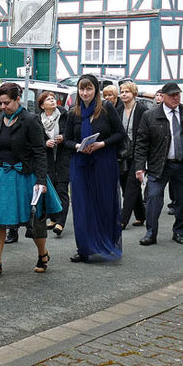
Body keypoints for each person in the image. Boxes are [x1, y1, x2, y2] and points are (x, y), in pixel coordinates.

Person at [0, 83, 58, 278]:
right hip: (2, 176)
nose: (2, 107)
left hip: (27, 176)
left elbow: (39, 152)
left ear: (17, 99)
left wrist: (41, 181)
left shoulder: (30, 120)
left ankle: (43, 254)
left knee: (35, 222)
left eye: (6, 103)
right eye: (0, 103)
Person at [134, 81, 183, 247]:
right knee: (153, 198)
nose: (176, 98)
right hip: (159, 165)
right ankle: (151, 233)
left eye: (178, 94)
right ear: (163, 96)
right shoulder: (150, 116)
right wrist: (139, 166)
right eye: (172, 95)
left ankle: (179, 232)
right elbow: (141, 143)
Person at [63, 75, 123, 262]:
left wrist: (102, 144)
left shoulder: (106, 108)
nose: (85, 93)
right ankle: (84, 249)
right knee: (82, 207)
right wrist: (77, 146)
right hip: (80, 163)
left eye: (88, 89)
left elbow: (120, 134)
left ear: (96, 90)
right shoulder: (73, 112)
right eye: (82, 89)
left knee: (103, 203)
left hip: (103, 161)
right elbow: (66, 139)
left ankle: (105, 242)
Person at [37, 90, 70, 237]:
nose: (52, 100)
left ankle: (60, 223)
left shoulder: (64, 115)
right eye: (48, 99)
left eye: (53, 98)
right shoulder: (38, 120)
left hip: (63, 157)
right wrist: (45, 143)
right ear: (42, 105)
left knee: (62, 189)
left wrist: (63, 137)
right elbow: (36, 141)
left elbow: (72, 132)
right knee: (53, 189)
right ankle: (54, 217)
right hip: (48, 159)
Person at [118, 81, 146, 230]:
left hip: (138, 152)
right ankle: (141, 215)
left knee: (132, 186)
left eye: (127, 92)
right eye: (122, 91)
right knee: (126, 185)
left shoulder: (141, 109)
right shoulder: (119, 109)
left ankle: (123, 220)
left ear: (134, 93)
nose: (124, 94)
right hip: (123, 153)